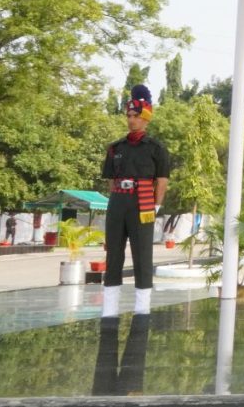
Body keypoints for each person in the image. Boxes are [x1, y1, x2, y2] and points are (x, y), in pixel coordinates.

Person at [101, 84, 170, 318]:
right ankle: (109, 308)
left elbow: (161, 180)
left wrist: (156, 205)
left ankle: (142, 308)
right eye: (129, 116)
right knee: (113, 254)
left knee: (142, 254)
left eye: (136, 116)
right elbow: (111, 180)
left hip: (143, 204)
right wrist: (117, 199)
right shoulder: (115, 148)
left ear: (146, 119)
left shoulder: (156, 148)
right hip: (119, 202)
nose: (131, 120)